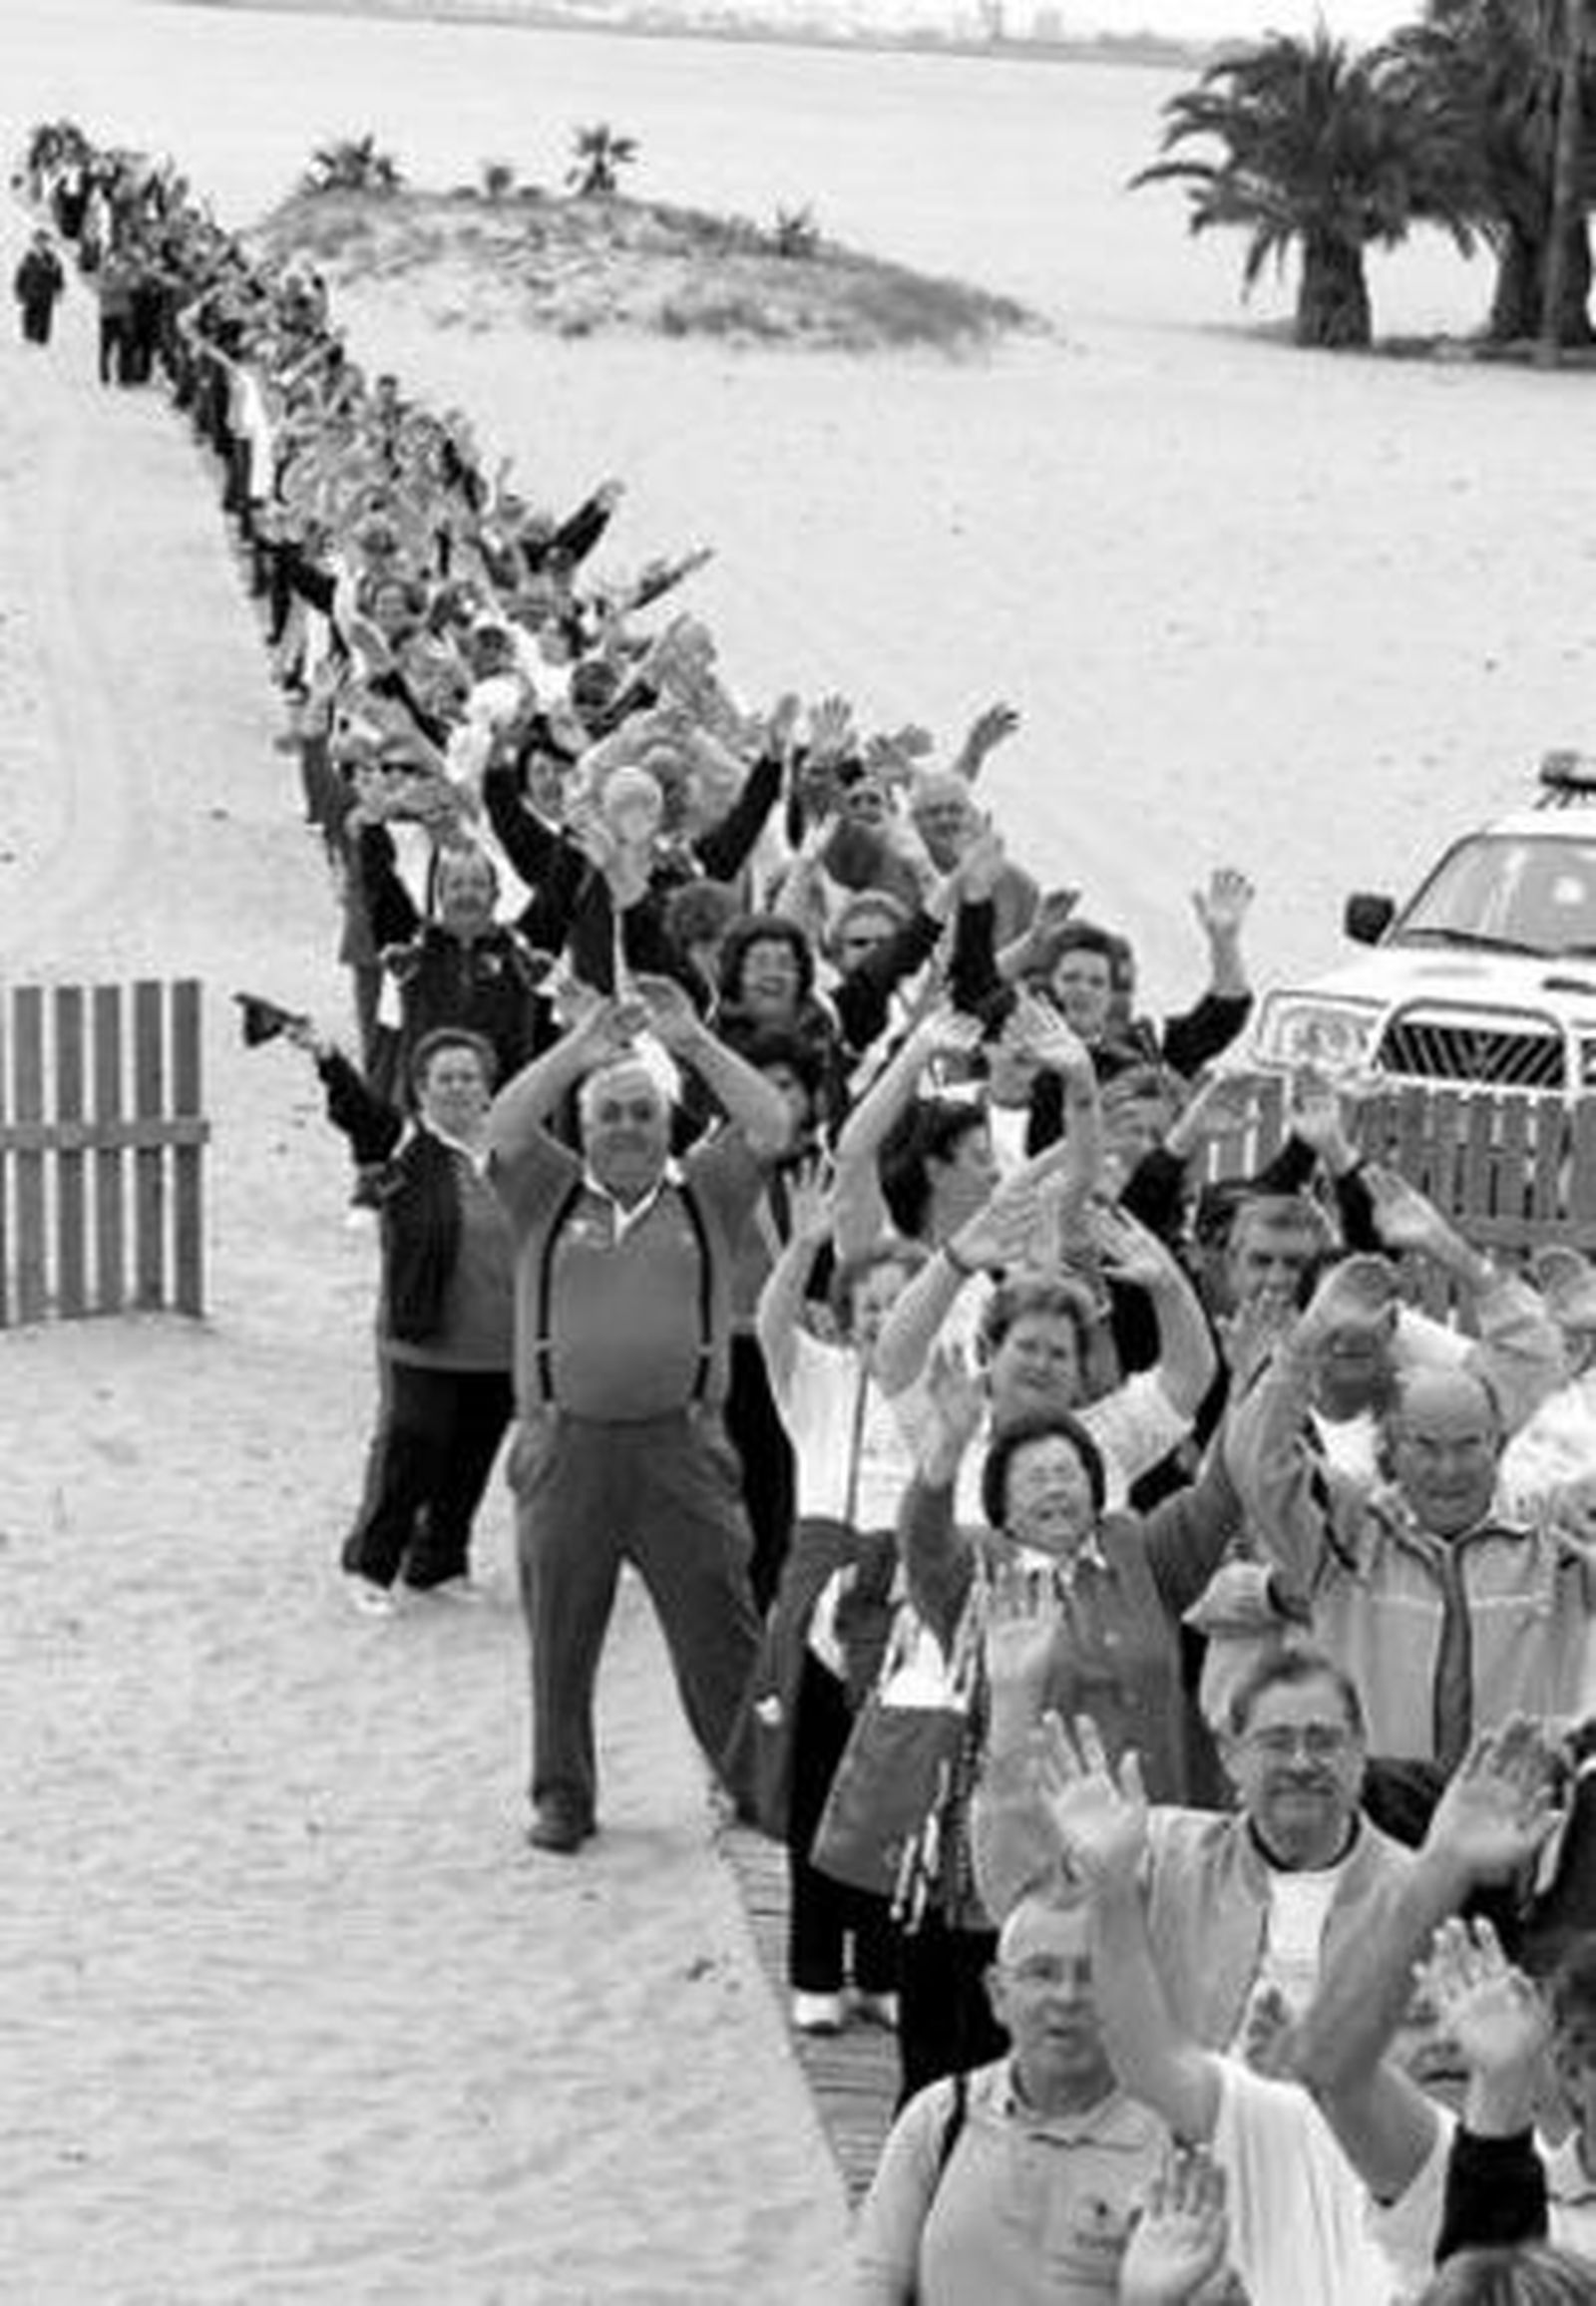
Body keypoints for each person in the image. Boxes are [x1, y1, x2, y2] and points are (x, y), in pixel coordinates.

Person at [888, 1344, 1253, 2099]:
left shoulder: (1136, 1549)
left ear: (1095, 1485)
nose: (1055, 1488)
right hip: (1038, 1867)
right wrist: (943, 1455)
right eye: (1033, 1477)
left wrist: (1248, 1385)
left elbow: (1219, 1498)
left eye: (1067, 1473)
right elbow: (923, 1545)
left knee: (1158, 2051)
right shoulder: (981, 1573)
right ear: (1001, 1503)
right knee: (1046, 2053)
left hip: (1160, 1849)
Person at [486, 979, 791, 1853]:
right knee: (560, 1636)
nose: (626, 1126)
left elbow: (770, 1125)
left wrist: (693, 1042)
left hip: (680, 1450)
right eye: (610, 1114)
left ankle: (753, 1785)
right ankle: (562, 1797)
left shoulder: (706, 1192)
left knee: (721, 1634)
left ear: (669, 1127)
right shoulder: (546, 1193)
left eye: (643, 1114)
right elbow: (505, 1128)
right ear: (582, 1130)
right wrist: (580, 1051)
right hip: (564, 1448)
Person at [1230, 1257, 1588, 1771]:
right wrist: (1306, 1341)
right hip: (1377, 1815)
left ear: (1498, 1444)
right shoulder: (1348, 1532)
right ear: (1391, 1449)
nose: (1450, 1468)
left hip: (1513, 1811)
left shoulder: (1553, 1539)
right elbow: (1255, 1461)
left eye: (1469, 1445)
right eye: (1426, 1446)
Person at [972, 1646, 1417, 2057]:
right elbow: (1017, 1899)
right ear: (1230, 1755)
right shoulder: (1166, 1855)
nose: (1300, 1763)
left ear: (1360, 1751)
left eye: (1323, 1741)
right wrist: (1013, 1701)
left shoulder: (1417, 1894)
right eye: (1277, 1742)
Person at [741, 1176, 928, 2034]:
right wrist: (804, 1247)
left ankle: (883, 1968)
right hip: (822, 1588)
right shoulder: (817, 1380)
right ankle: (816, 1968)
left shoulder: (945, 1393)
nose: (884, 1318)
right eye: (870, 1304)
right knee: (818, 1786)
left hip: (911, 1596)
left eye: (903, 1304)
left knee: (895, 1792)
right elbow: (774, 1324)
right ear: (848, 1313)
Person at [851, 1887, 1169, 2305]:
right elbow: (873, 2279)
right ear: (998, 1994)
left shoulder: (1172, 2151)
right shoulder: (941, 2118)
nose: (1067, 1997)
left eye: (1092, 1975)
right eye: (1042, 1972)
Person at [300, 1022, 516, 1614]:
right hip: (423, 1339)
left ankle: (439, 1563)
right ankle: (371, 1564)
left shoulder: (516, 1150)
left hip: (499, 1344)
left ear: (488, 1086)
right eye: (443, 1078)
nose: (456, 1087)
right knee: (411, 1448)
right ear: (421, 1088)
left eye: (468, 1077)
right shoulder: (403, 1143)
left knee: (472, 1457)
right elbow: (357, 1112)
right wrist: (328, 1058)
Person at [13, 229, 65, 345]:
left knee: (44, 317)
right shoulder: (28, 258)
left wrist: (59, 290)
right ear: (34, 243)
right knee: (29, 314)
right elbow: (21, 275)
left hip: (46, 294)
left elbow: (58, 276)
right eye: (38, 242)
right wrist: (19, 291)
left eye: (44, 242)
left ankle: (42, 339)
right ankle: (28, 336)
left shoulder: (52, 259)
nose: (41, 245)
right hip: (30, 292)